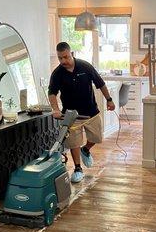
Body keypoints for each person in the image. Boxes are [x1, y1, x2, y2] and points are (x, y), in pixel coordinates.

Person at [48, 42, 115, 183]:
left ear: (71, 53)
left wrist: (109, 100)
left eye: (65, 57)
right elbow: (52, 93)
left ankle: (86, 149)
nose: (63, 61)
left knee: (97, 138)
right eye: (60, 58)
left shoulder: (85, 66)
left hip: (91, 111)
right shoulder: (57, 73)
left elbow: (100, 83)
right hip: (71, 115)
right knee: (74, 143)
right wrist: (55, 109)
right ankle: (78, 168)